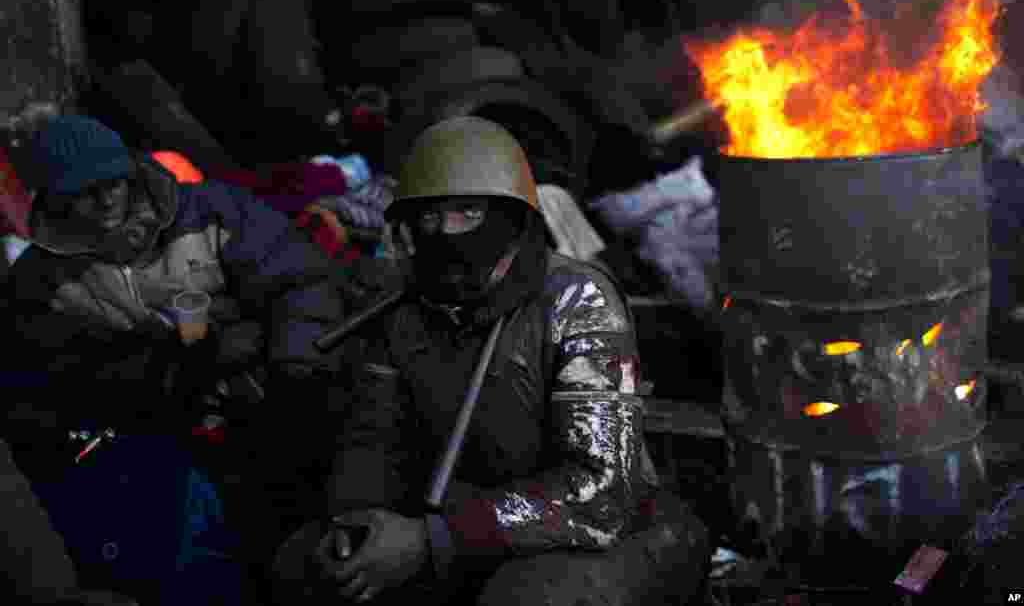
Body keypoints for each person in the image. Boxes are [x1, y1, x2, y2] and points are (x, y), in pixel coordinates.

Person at [271, 116, 709, 605]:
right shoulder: (405, 311)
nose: (445, 231)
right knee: (306, 566)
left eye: (467, 213)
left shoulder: (577, 299)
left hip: (620, 532)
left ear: (512, 219)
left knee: (524, 599)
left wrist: (430, 542)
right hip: (468, 527)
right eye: (430, 216)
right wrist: (356, 531)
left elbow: (602, 492)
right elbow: (373, 445)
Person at [1, 115, 346, 598]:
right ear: (53, 199)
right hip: (157, 432)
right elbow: (49, 386)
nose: (105, 201)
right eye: (83, 191)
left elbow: (302, 283)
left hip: (269, 395)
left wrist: (293, 369)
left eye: (113, 183)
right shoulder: (41, 281)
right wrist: (157, 371)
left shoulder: (211, 213)